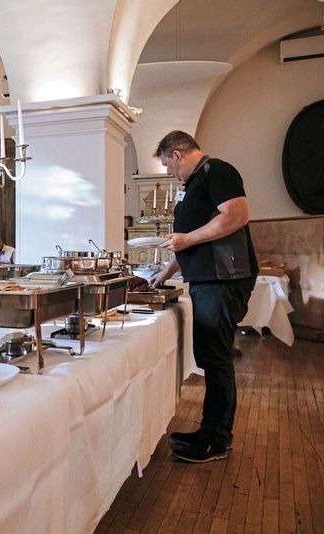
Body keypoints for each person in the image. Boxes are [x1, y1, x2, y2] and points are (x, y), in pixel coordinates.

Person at [149, 130, 257, 464]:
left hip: (223, 279)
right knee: (210, 358)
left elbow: (237, 216)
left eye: (168, 165)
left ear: (178, 154)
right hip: (208, 280)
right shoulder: (193, 184)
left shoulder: (217, 171)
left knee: (217, 359)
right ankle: (209, 431)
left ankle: (218, 440)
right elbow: (189, 241)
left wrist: (186, 239)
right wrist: (164, 274)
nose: (169, 172)